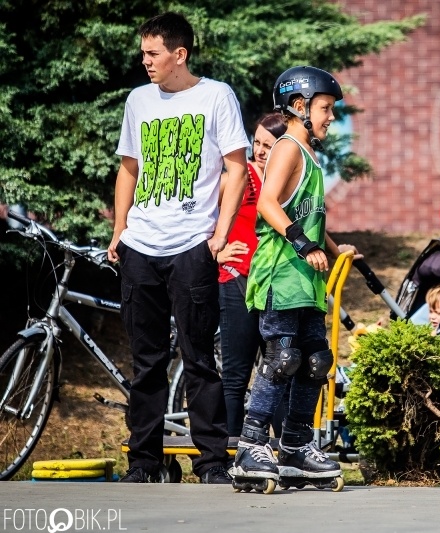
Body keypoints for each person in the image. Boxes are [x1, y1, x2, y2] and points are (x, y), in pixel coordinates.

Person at [107, 12, 249, 484]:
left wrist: (219, 235)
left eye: (153, 53)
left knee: (199, 359)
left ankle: (211, 463)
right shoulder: (138, 100)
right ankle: (143, 463)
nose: (145, 61)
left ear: (179, 54)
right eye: (143, 53)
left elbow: (236, 168)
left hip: (192, 246)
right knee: (146, 363)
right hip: (140, 247)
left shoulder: (216, 96)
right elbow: (129, 168)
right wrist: (119, 230)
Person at [230, 65, 356, 489]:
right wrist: (303, 243)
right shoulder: (287, 147)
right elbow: (267, 203)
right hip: (281, 273)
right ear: (300, 106)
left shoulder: (309, 154)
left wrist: (332, 249)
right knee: (282, 359)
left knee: (317, 361)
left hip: (305, 279)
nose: (331, 117)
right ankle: (250, 445)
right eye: (326, 108)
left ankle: (296, 447)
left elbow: (308, 214)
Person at [216, 112, 287, 438]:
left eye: (267, 146)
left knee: (279, 369)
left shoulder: (285, 180)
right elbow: (200, 213)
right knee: (236, 375)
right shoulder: (240, 176)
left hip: (273, 285)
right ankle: (230, 454)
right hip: (238, 280)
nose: (259, 150)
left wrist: (334, 249)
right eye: (256, 142)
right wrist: (215, 250)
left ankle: (288, 452)